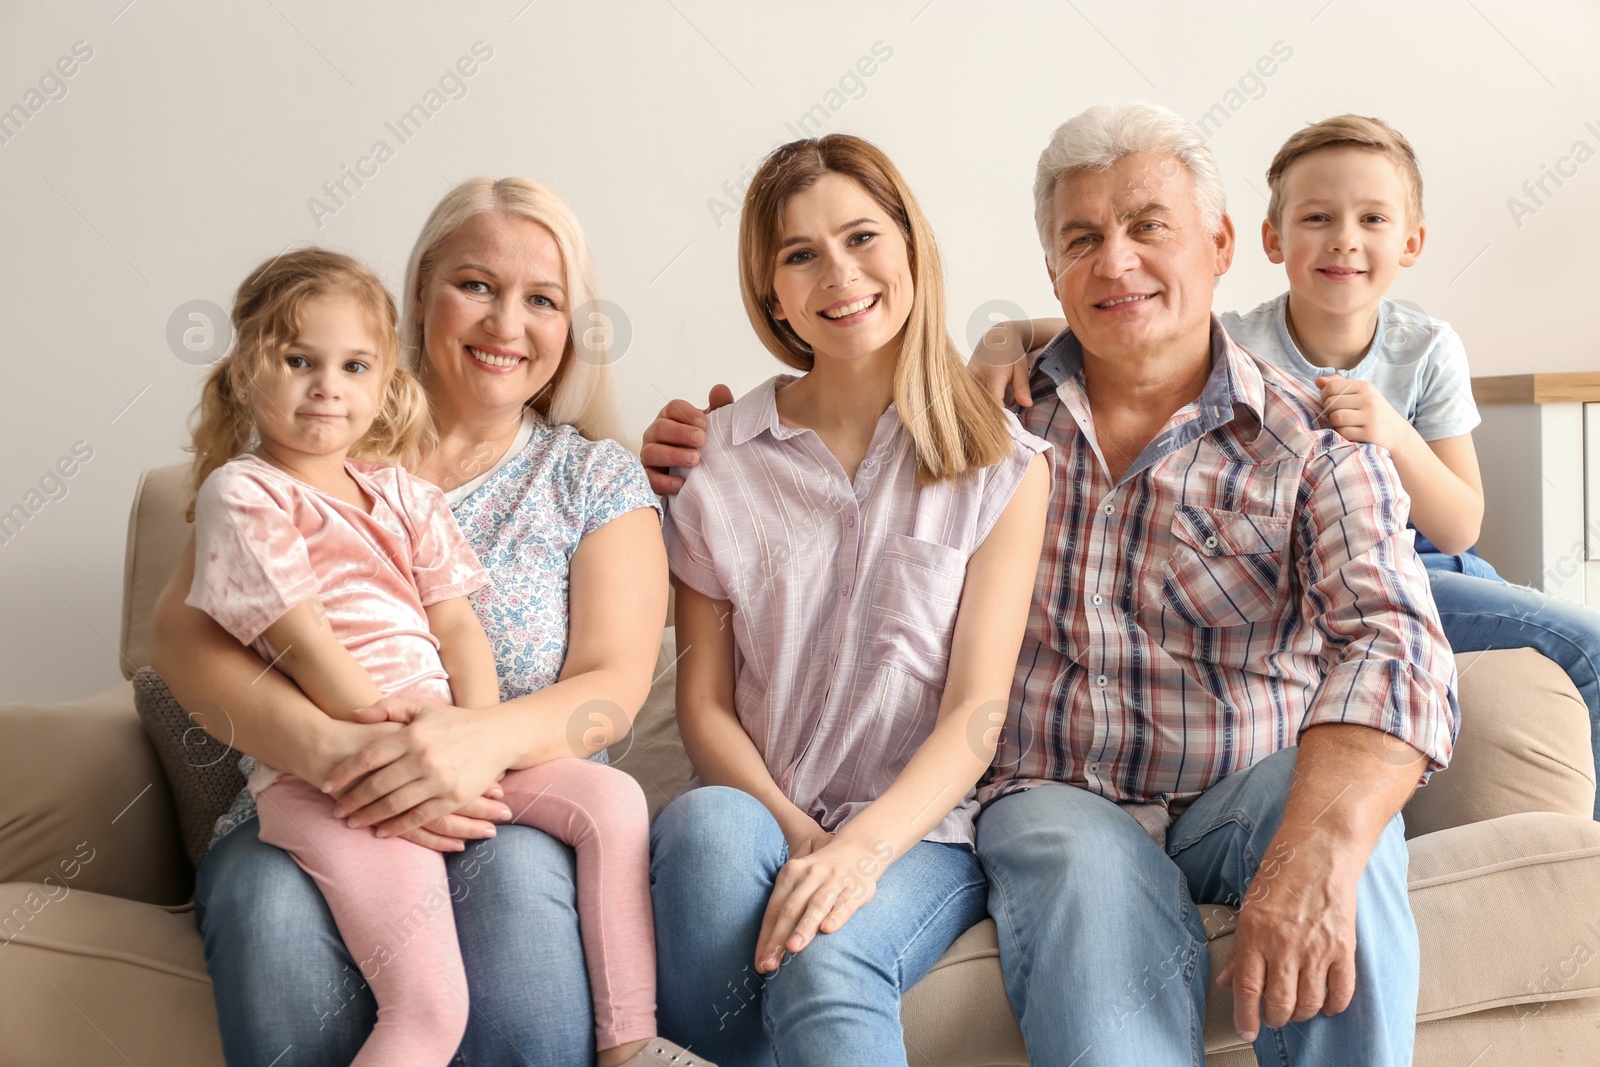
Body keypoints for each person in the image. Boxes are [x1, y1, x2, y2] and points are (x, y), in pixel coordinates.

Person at [641, 105, 1457, 1066]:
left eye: (1149, 225)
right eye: (1083, 240)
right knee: (1078, 884)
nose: (1115, 263)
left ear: (1224, 242)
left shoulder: (1313, 440)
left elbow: (1397, 643)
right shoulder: (998, 420)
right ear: (1053, 273)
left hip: (1239, 783)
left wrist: (1319, 849)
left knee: (1342, 834)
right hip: (1052, 793)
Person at [153, 178, 670, 1067]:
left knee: (512, 888)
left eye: (541, 299)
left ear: (571, 329)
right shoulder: (308, 451)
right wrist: (335, 752)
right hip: (323, 788)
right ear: (419, 292)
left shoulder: (594, 479)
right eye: (476, 285)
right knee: (269, 906)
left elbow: (613, 689)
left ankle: (633, 1045)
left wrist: (469, 742)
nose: (507, 324)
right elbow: (182, 640)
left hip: (498, 800)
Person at [976, 114, 1600, 820]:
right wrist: (1007, 333)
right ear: (1270, 240)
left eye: (1372, 218)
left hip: (1426, 559)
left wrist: (1391, 433)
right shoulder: (1238, 338)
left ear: (1412, 240)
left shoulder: (1426, 347)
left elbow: (1459, 525)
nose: (1343, 238)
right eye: (1316, 217)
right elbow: (1127, 313)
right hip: (1294, 558)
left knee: (1581, 644)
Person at [649, 134, 1050, 1066]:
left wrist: (856, 851)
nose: (839, 273)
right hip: (758, 814)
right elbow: (703, 705)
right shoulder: (713, 463)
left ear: (911, 248)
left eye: (862, 237)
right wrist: (799, 837)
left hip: (918, 833)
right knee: (701, 826)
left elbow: (976, 715)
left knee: (825, 958)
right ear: (772, 294)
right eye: (800, 255)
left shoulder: (1003, 466)